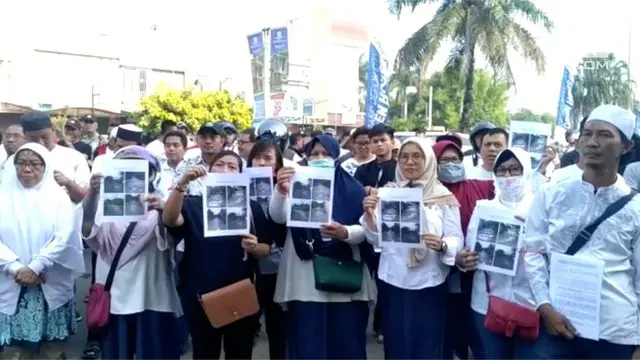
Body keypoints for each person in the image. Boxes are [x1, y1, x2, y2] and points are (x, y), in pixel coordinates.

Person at [524, 104, 640, 359]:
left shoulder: (636, 208)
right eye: (586, 134)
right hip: (558, 325)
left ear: (626, 147)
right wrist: (544, 306)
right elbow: (533, 252)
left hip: (615, 332)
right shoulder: (552, 193)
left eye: (605, 135)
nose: (592, 142)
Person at [269, 134, 376, 359]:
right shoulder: (296, 183)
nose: (319, 158)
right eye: (314, 154)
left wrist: (344, 232)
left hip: (343, 273)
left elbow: (365, 229)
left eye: (325, 154)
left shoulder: (352, 188)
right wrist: (280, 190)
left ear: (336, 157)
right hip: (303, 275)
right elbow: (278, 217)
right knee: (308, 339)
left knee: (344, 341)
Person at [163, 150, 272, 359]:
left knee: (239, 352)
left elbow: (265, 249)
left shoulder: (252, 208)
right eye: (219, 165)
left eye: (232, 167)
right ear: (209, 170)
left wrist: (254, 247)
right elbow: (170, 219)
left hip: (240, 293)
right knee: (204, 352)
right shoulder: (193, 204)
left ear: (241, 174)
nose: (225, 170)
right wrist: (182, 184)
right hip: (199, 295)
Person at [361, 137, 463, 359]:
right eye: (405, 157)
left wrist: (443, 244)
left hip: (429, 283)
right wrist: (370, 216)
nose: (410, 162)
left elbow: (457, 238)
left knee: (426, 343)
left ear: (428, 161)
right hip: (393, 281)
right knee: (397, 343)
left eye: (417, 156)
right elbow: (375, 239)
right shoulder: (387, 193)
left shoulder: (443, 197)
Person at [82, 146, 182, 359]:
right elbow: (88, 231)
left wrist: (163, 208)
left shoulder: (162, 202)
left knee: (153, 350)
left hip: (150, 292)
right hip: (116, 292)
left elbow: (173, 232)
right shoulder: (104, 203)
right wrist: (93, 194)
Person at [0, 143, 85, 359]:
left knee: (52, 351)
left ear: (45, 166)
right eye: (21, 163)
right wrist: (15, 267)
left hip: (50, 281)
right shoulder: (2, 196)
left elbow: (64, 237)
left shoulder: (58, 198)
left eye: (34, 164)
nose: (27, 169)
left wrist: (37, 266)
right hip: (12, 281)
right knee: (15, 351)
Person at [459, 147, 542, 359]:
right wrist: (465, 260)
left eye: (515, 170)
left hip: (530, 303)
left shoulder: (540, 208)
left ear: (526, 172)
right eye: (502, 170)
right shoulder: (483, 208)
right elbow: (470, 250)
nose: (508, 176)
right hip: (487, 303)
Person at [432, 139, 494, 359]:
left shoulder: (480, 186)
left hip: (476, 268)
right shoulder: (429, 191)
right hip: (442, 271)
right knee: (448, 327)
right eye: (444, 160)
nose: (451, 164)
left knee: (476, 329)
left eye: (455, 159)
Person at [247, 140, 288, 360]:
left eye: (268, 158)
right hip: (247, 270)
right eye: (257, 157)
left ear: (278, 163)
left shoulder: (286, 188)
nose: (261, 162)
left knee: (277, 330)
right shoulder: (239, 184)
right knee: (243, 329)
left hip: (276, 268)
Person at [172, 122, 227, 196]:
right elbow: (174, 197)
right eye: (203, 137)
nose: (208, 141)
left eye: (213, 137)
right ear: (197, 140)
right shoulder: (185, 166)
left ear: (222, 141)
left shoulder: (233, 166)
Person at [354, 123, 397, 192]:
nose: (379, 144)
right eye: (375, 141)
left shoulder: (400, 169)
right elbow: (355, 192)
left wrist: (371, 190)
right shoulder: (362, 170)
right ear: (370, 144)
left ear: (392, 142)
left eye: (383, 140)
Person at [158, 130, 187, 199]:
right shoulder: (157, 170)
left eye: (176, 145)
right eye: (167, 145)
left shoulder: (191, 170)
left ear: (185, 149)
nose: (171, 148)